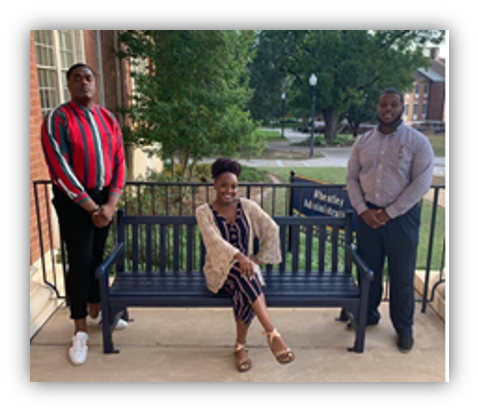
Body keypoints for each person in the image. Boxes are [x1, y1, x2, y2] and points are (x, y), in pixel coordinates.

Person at [41, 63, 127, 366]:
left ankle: (96, 310)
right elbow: (59, 168)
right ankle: (79, 329)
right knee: (80, 260)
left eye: (88, 77)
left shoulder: (108, 119)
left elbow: (119, 161)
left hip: (104, 199)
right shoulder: (58, 118)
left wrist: (110, 204)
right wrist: (92, 207)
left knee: (98, 258)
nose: (83, 82)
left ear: (96, 83)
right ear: (68, 85)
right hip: (74, 201)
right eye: (76, 78)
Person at [347, 88, 435, 353]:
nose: (388, 109)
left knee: (402, 276)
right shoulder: (362, 142)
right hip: (368, 217)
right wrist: (363, 210)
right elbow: (351, 178)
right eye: (383, 104)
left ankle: (404, 328)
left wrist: (390, 212)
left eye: (394, 104)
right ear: (378, 107)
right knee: (368, 272)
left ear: (401, 108)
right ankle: (369, 315)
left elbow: (421, 182)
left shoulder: (418, 142)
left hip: (402, 220)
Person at [196, 158, 295, 372]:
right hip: (218, 270)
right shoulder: (203, 212)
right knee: (246, 278)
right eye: (224, 185)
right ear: (214, 184)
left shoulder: (247, 207)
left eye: (234, 186)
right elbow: (214, 242)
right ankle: (272, 333)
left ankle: (242, 347)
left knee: (244, 286)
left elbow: (272, 229)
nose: (229, 191)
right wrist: (241, 257)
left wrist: (258, 258)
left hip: (246, 270)